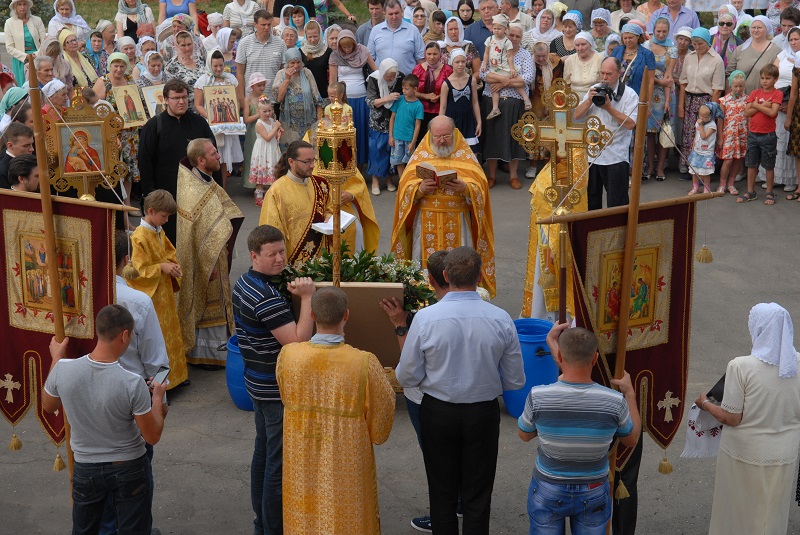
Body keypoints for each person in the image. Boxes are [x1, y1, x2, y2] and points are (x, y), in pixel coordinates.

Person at [395, 246, 525, 534]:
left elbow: (407, 376)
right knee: (478, 496)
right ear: (479, 277)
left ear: (444, 275)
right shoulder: (501, 318)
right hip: (482, 413)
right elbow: (515, 381)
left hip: (438, 412)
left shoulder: (426, 319)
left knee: (441, 493)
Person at [277, 286, 395, 533]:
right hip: (347, 458)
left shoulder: (289, 356)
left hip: (302, 457)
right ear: (346, 315)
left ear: (312, 316)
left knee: (305, 518)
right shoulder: (363, 363)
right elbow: (382, 417)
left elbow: (285, 395)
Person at [42, 304, 168, 535]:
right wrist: (158, 398)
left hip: (85, 466)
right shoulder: (132, 382)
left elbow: (48, 406)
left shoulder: (62, 370)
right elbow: (152, 436)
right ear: (124, 335)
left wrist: (56, 358)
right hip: (128, 466)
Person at [232, 224, 316, 535]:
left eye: (282, 251)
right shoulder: (265, 297)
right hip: (274, 387)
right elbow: (296, 342)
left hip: (257, 380)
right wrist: (307, 298)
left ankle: (261, 523)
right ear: (254, 256)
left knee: (263, 453)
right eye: (272, 255)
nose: (280, 259)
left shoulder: (245, 282)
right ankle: (273, 528)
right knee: (277, 466)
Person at [518, 323, 640, 535]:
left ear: (559, 357)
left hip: (548, 486)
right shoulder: (614, 401)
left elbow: (524, 435)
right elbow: (631, 440)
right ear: (594, 359)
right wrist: (630, 394)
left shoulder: (538, 396)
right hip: (593, 489)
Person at [697, 303, 800, 535]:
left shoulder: (741, 366)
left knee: (739, 513)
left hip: (745, 455)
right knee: (772, 514)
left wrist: (705, 404)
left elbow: (731, 417)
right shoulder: (797, 364)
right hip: (785, 454)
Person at [379, 249, 449, 532]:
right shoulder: (488, 308)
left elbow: (408, 372)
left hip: (426, 400)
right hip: (471, 402)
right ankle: (460, 504)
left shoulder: (425, 317)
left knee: (436, 459)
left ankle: (442, 514)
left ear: (431, 280)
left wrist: (399, 325)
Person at [391, 116, 497, 296]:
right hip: (426, 220)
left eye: (446, 136)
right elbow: (404, 188)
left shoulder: (465, 155)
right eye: (437, 136)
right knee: (425, 270)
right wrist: (419, 189)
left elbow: (481, 188)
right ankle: (423, 297)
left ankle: (460, 295)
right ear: (430, 135)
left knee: (460, 266)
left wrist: (466, 188)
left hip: (458, 220)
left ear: (454, 133)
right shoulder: (421, 155)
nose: (441, 141)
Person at [109, 230, 170, 534]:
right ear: (126, 259)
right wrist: (161, 405)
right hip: (135, 406)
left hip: (88, 405)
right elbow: (158, 365)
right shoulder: (138, 302)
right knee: (138, 477)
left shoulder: (79, 297)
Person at [176, 138, 244, 368]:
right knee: (208, 303)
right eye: (214, 153)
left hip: (217, 255)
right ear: (201, 160)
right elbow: (196, 234)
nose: (219, 156)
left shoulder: (206, 180)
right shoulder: (191, 189)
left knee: (220, 300)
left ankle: (220, 350)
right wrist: (209, 263)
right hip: (205, 262)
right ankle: (204, 354)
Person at [138, 78, 217, 245]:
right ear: (166, 100)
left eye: (184, 97)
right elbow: (145, 162)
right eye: (176, 98)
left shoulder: (199, 123)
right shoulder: (154, 125)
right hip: (168, 194)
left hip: (197, 193)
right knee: (170, 240)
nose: (181, 102)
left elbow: (213, 156)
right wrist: (150, 195)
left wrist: (216, 189)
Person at [127, 189, 188, 389]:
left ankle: (176, 377)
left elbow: (170, 253)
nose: (167, 220)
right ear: (151, 211)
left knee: (170, 336)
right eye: (164, 216)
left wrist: (173, 266)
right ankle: (161, 385)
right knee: (157, 343)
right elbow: (137, 271)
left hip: (165, 295)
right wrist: (161, 267)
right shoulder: (138, 237)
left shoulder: (158, 231)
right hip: (152, 299)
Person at [575, 57, 638, 210]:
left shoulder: (629, 95)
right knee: (591, 201)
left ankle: (618, 227)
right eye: (602, 73)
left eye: (608, 74)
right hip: (592, 155)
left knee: (617, 203)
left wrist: (609, 108)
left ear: (619, 73)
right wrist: (588, 101)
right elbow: (577, 115)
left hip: (615, 156)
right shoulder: (594, 89)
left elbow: (631, 124)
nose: (604, 78)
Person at [480, 23, 534, 189]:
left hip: (514, 102)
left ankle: (513, 176)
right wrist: (504, 79)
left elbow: (528, 78)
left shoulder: (524, 54)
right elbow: (483, 74)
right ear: (505, 34)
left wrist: (504, 83)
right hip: (492, 100)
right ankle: (492, 175)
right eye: (512, 35)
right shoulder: (494, 48)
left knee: (514, 138)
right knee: (492, 138)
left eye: (518, 36)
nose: (514, 38)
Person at [258, 140, 331, 263]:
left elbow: (330, 208)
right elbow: (271, 232)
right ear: (291, 162)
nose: (312, 166)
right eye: (307, 161)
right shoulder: (276, 191)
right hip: (293, 262)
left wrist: (329, 217)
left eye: (313, 160)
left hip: (322, 259)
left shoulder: (321, 184)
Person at [678, 28, 724, 181]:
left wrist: (711, 109)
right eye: (694, 44)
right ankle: (689, 166)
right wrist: (681, 105)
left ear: (708, 42)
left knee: (704, 135)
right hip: (690, 100)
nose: (697, 47)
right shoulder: (689, 57)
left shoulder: (716, 60)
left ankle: (706, 169)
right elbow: (683, 82)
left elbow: (717, 89)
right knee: (689, 134)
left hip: (706, 101)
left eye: (700, 44)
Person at [194, 49, 243, 184]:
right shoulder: (203, 80)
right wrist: (211, 117)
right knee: (209, 157)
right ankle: (208, 187)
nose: (219, 69)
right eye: (215, 66)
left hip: (227, 124)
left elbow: (236, 100)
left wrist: (233, 114)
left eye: (221, 65)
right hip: (210, 125)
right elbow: (198, 105)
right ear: (210, 64)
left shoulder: (230, 78)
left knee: (223, 159)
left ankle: (223, 189)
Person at [329, 29, 377, 168]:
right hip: (344, 101)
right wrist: (334, 101)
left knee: (360, 132)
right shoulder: (335, 56)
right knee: (346, 133)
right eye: (344, 47)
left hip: (362, 99)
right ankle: (346, 164)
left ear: (354, 44)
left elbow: (375, 71)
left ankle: (360, 166)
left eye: (349, 46)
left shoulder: (362, 51)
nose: (347, 50)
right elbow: (333, 80)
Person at [738, 63, 781, 204]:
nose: (764, 81)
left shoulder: (777, 94)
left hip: (768, 135)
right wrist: (760, 106)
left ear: (775, 79)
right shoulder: (755, 93)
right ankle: (750, 191)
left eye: (768, 78)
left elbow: (772, 112)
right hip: (753, 134)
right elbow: (746, 113)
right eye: (762, 78)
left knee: (769, 165)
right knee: (751, 164)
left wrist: (755, 106)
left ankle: (769, 192)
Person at [641, 17, 675, 182]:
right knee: (649, 132)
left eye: (664, 32)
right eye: (658, 31)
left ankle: (660, 166)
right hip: (649, 90)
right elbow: (645, 72)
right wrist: (658, 82)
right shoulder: (646, 46)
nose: (661, 34)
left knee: (664, 131)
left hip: (665, 94)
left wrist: (667, 101)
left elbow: (668, 77)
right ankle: (649, 166)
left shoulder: (672, 49)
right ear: (653, 30)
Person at [366, 58, 403, 195]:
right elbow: (370, 101)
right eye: (388, 76)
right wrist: (387, 98)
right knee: (375, 150)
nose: (391, 79)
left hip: (394, 120)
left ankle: (389, 180)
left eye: (393, 76)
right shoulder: (374, 79)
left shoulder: (400, 78)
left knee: (390, 151)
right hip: (378, 121)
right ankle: (375, 181)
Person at [236, 10, 287, 110]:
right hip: (251, 101)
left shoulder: (280, 43)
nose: (266, 28)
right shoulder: (244, 43)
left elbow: (283, 71)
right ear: (255, 24)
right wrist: (242, 98)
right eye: (263, 25)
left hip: (273, 99)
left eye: (269, 24)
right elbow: (240, 73)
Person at [271, 47, 322, 149]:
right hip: (289, 124)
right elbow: (278, 99)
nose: (296, 65)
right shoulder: (281, 74)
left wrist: (319, 122)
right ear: (287, 63)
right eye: (292, 63)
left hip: (308, 121)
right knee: (291, 151)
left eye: (298, 62)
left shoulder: (307, 73)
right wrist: (287, 79)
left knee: (308, 149)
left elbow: (317, 98)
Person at [368, 0, 425, 80]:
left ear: (402, 11)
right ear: (384, 13)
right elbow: (370, 57)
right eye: (390, 14)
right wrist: (377, 73)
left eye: (396, 13)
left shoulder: (413, 30)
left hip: (407, 81)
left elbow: (421, 59)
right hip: (382, 80)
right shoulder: (376, 30)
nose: (394, 17)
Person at [440, 49, 482, 153]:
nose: (460, 65)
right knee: (452, 150)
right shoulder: (446, 84)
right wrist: (440, 125)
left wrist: (479, 121)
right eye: (457, 62)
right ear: (452, 63)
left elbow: (475, 102)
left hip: (468, 119)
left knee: (471, 151)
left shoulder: (471, 80)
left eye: (463, 61)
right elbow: (443, 107)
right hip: (452, 119)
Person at [726, 16, 780, 94]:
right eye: (753, 27)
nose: (756, 30)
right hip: (739, 98)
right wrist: (729, 96)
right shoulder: (740, 49)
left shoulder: (776, 51)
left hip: (762, 99)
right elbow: (729, 74)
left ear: (767, 29)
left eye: (759, 28)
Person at [717, 71, 748, 195]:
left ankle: (731, 183)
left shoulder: (747, 99)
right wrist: (720, 137)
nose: (738, 89)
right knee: (728, 160)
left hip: (741, 134)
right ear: (730, 85)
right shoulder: (724, 100)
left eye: (741, 86)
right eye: (735, 86)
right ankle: (722, 184)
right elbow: (720, 120)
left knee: (737, 160)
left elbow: (749, 118)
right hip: (728, 135)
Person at [388, 74, 424, 178]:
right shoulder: (399, 100)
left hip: (409, 139)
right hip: (397, 138)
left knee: (409, 162)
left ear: (415, 89)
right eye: (403, 88)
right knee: (398, 162)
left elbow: (418, 125)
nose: (404, 91)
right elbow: (392, 118)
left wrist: (413, 142)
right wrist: (391, 136)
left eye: (407, 89)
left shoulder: (419, 105)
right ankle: (402, 182)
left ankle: (409, 182)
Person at [5, 0, 47, 85]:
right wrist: (26, 56)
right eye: (19, 4)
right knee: (23, 87)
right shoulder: (9, 23)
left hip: (37, 58)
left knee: (38, 85)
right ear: (15, 7)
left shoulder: (37, 20)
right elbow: (9, 47)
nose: (22, 7)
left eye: (24, 4)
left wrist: (36, 55)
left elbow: (45, 41)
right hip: (20, 60)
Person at [250, 98, 282, 204]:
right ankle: (259, 193)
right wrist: (275, 128)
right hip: (263, 150)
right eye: (265, 111)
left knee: (272, 168)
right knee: (262, 168)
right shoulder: (259, 124)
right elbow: (267, 137)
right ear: (258, 111)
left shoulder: (272, 121)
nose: (268, 113)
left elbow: (274, 136)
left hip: (272, 148)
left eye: (269, 110)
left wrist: (278, 131)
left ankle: (274, 193)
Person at [164, 31, 206, 112]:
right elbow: (171, 91)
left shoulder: (200, 60)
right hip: (186, 110)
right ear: (177, 46)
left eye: (189, 44)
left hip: (205, 107)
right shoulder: (171, 66)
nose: (187, 48)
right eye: (183, 45)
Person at [687, 103, 717, 194]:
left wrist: (700, 126)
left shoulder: (712, 126)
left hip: (707, 152)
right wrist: (693, 148)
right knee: (694, 170)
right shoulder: (698, 122)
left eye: (705, 117)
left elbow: (704, 137)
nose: (701, 118)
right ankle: (695, 187)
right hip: (697, 150)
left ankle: (706, 188)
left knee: (706, 172)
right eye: (700, 115)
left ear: (710, 116)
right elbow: (696, 136)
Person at [60, 30, 98, 101]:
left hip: (93, 94)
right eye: (70, 42)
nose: (74, 43)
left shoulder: (86, 57)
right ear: (64, 46)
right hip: (76, 98)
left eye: (75, 40)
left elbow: (96, 75)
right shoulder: (63, 62)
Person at [563, 31, 601, 101]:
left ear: (590, 44)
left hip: (594, 99)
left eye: (583, 44)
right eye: (577, 45)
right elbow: (566, 84)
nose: (580, 48)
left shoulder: (600, 59)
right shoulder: (570, 60)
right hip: (573, 100)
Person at [0, 123, 34, 189]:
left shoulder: (32, 161)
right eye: (26, 146)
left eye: (31, 144)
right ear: (10, 145)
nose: (32, 149)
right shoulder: (2, 171)